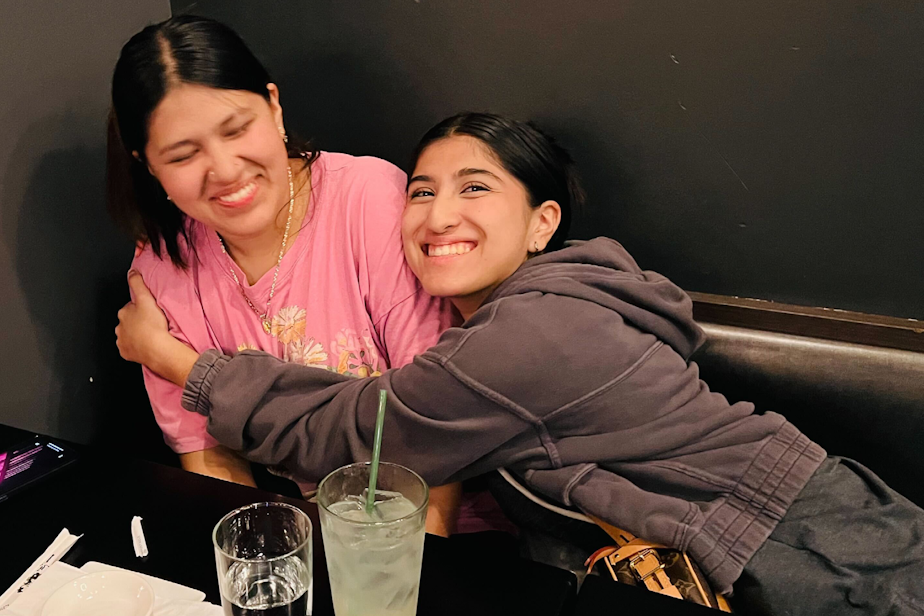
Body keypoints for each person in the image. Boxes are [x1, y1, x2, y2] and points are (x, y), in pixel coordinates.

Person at [117, 112, 924, 615]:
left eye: (475, 189)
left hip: (817, 549)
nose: (440, 215)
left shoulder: (538, 331)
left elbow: (364, 427)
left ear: (542, 224)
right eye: (422, 192)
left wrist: (178, 360)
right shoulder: (523, 316)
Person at [107, 15, 470, 536]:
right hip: (303, 538)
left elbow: (434, 423)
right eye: (184, 154)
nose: (226, 169)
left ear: (274, 107)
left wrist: (408, 571)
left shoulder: (369, 201)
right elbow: (213, 464)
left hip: (433, 528)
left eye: (237, 130)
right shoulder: (163, 271)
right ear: (148, 165)